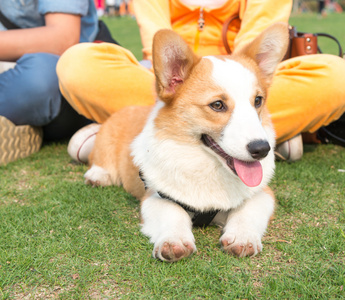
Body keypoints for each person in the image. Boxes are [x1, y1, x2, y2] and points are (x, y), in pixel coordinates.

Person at [57, 0, 345, 164]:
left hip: (241, 84)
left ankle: (256, 127)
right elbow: (161, 53)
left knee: (337, 76)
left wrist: (240, 97)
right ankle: (272, 131)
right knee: (78, 64)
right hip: (177, 79)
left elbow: (254, 62)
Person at [0, 0, 99, 165]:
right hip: (12, 74)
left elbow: (63, 38)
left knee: (39, 80)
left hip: (68, 73)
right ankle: (20, 118)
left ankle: (17, 117)